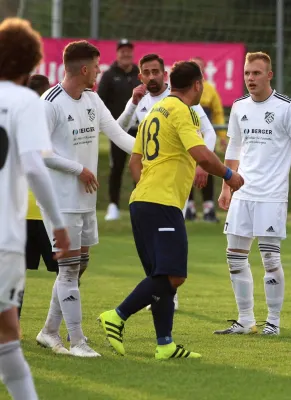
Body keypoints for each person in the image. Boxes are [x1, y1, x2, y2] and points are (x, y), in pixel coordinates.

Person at [98, 61, 244, 359]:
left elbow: (135, 161)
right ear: (198, 85)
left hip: (143, 202)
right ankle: (117, 315)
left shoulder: (154, 112)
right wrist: (230, 176)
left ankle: (164, 343)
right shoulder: (180, 111)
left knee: (161, 275)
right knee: (174, 274)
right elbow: (201, 154)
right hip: (161, 204)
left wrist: (149, 184)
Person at [36, 40, 136, 358]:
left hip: (85, 200)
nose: (98, 70)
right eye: (96, 65)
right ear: (84, 69)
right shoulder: (49, 103)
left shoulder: (92, 98)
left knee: (79, 267)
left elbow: (118, 134)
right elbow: (41, 152)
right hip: (60, 199)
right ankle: (77, 340)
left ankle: (49, 332)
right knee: (68, 269)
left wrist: (154, 152)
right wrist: (78, 168)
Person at [214, 51, 291, 336]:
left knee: (269, 259)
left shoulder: (287, 107)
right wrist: (225, 186)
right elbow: (233, 148)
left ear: (269, 75)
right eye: (247, 73)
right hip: (242, 192)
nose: (250, 79)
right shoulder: (239, 106)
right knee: (234, 256)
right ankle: (245, 320)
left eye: (256, 73)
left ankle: (274, 322)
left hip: (271, 194)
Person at [0, 17, 70, 400]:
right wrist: (57, 224)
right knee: (8, 336)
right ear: (31, 63)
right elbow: (34, 166)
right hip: (5, 237)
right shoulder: (28, 101)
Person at [117, 53, 218, 310]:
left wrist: (200, 165)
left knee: (168, 247)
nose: (151, 76)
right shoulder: (141, 105)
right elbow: (119, 132)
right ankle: (154, 297)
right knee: (156, 250)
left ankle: (167, 297)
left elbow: (209, 133)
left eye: (156, 71)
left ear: (165, 74)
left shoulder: (185, 103)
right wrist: (131, 103)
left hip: (173, 184)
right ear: (140, 76)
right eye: (146, 72)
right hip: (154, 185)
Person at [18, 75, 58, 319]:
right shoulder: (51, 124)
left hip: (21, 212)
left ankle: (10, 328)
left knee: (16, 274)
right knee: (66, 271)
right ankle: (61, 329)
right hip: (46, 211)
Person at [98, 39, 141, 221]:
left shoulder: (139, 74)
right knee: (117, 168)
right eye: (122, 51)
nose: (126, 54)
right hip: (117, 129)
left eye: (128, 51)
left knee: (139, 166)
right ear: (117, 54)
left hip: (139, 129)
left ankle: (138, 203)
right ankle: (113, 205)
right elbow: (101, 101)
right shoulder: (109, 75)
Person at [184, 56, 227, 222]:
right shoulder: (184, 91)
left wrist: (222, 136)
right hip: (188, 140)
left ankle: (209, 208)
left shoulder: (210, 89)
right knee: (187, 172)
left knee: (207, 171)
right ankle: (189, 207)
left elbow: (217, 114)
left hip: (205, 140)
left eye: (200, 68)